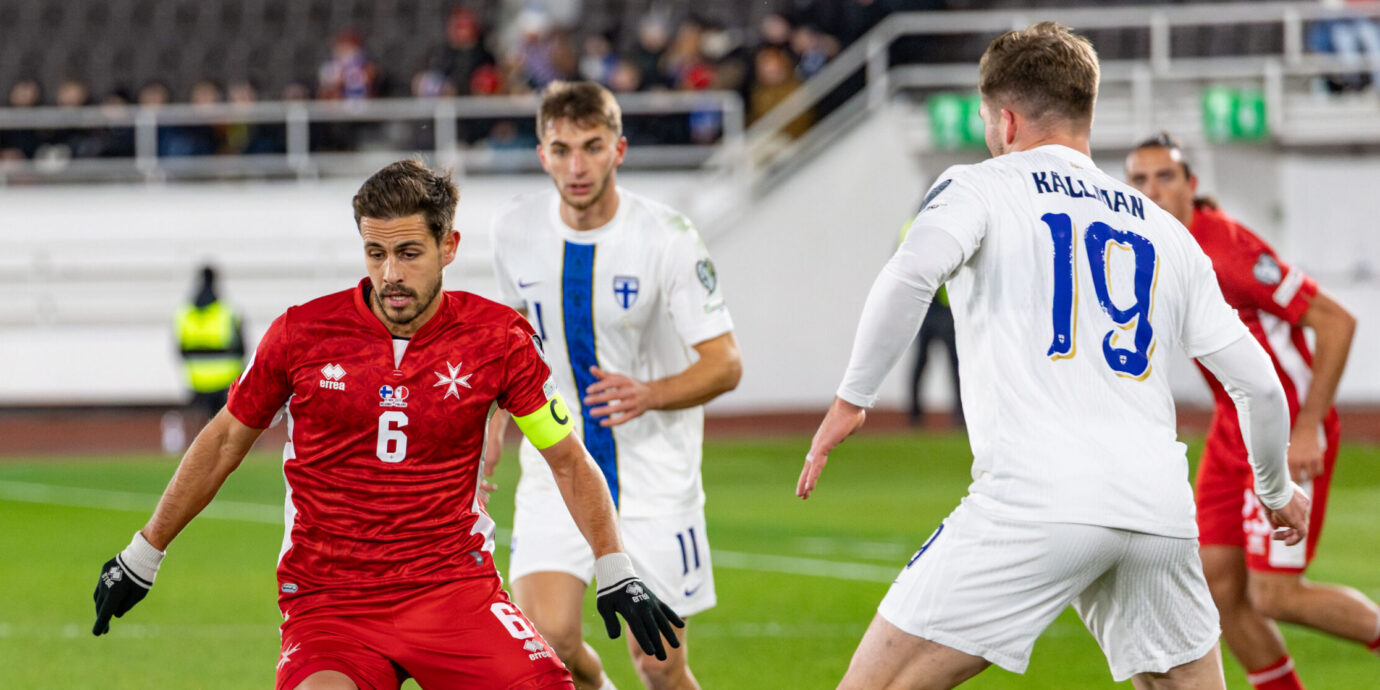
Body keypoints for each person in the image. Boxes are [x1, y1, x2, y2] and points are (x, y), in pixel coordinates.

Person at [795, 22, 1311, 689]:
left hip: (1035, 500)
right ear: (1085, 111)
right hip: (1156, 507)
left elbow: (909, 274)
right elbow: (1261, 387)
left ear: (1005, 120)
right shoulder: (1165, 230)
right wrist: (1274, 490)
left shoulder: (980, 186)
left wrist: (852, 399)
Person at [92, 160, 684, 690]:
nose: (390, 274)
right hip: (330, 603)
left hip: (453, 590)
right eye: (375, 253)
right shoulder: (301, 334)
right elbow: (223, 441)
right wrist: (144, 553)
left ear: (448, 246)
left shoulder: (497, 338)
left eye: (408, 253)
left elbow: (567, 459)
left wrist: (614, 566)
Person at [489, 81, 741, 690]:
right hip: (558, 468)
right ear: (542, 153)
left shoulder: (668, 237)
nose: (577, 166)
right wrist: (489, 439)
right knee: (545, 642)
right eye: (562, 148)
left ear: (619, 150)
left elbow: (726, 363)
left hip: (654, 477)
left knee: (658, 663)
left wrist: (650, 393)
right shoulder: (513, 231)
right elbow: (506, 348)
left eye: (593, 147)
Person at [1126, 133, 1377, 690]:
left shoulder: (1228, 251)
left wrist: (1308, 428)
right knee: (1217, 587)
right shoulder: (1162, 251)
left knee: (1274, 594)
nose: (1152, 191)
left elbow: (1337, 321)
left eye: (1165, 177)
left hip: (1285, 429)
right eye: (1138, 180)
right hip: (1230, 429)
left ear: (1192, 185)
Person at [899, 217, 962, 428]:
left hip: (934, 305)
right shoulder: (943, 226)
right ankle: (920, 416)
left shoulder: (910, 228)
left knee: (931, 363)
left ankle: (917, 417)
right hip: (932, 306)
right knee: (934, 363)